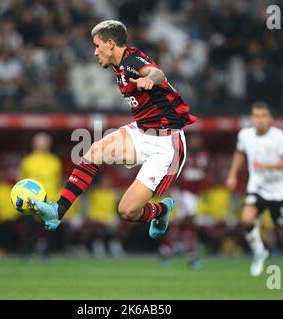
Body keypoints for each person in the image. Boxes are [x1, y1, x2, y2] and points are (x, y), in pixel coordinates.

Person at [29, 20, 197, 240]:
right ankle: (57, 212)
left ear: (110, 44)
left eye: (97, 46)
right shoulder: (118, 67)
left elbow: (157, 73)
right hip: (143, 132)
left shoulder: (131, 60)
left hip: (167, 143)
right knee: (95, 151)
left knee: (127, 211)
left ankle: (161, 210)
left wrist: (148, 79)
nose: (95, 51)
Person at [225, 102, 283, 288]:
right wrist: (232, 174)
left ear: (270, 118)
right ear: (252, 118)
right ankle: (259, 252)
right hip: (257, 188)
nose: (259, 120)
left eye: (263, 116)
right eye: (256, 116)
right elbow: (239, 153)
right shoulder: (245, 135)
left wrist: (268, 166)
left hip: (278, 192)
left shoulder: (278, 137)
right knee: (246, 219)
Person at [159, 135, 210, 268]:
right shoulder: (181, 153)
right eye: (193, 140)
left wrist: (204, 191)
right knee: (188, 222)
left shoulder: (204, 155)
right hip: (183, 192)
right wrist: (170, 188)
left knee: (182, 224)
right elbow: (173, 170)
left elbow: (204, 174)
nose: (195, 142)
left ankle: (167, 249)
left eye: (197, 140)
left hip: (195, 194)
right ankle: (190, 254)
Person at [18, 132, 63, 256]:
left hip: (50, 200)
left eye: (45, 143)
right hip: (31, 201)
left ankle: (47, 253)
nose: (42, 145)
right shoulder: (28, 161)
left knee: (49, 230)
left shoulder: (55, 161)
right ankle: (26, 252)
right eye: (40, 142)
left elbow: (57, 181)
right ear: (34, 144)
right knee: (28, 229)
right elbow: (21, 182)